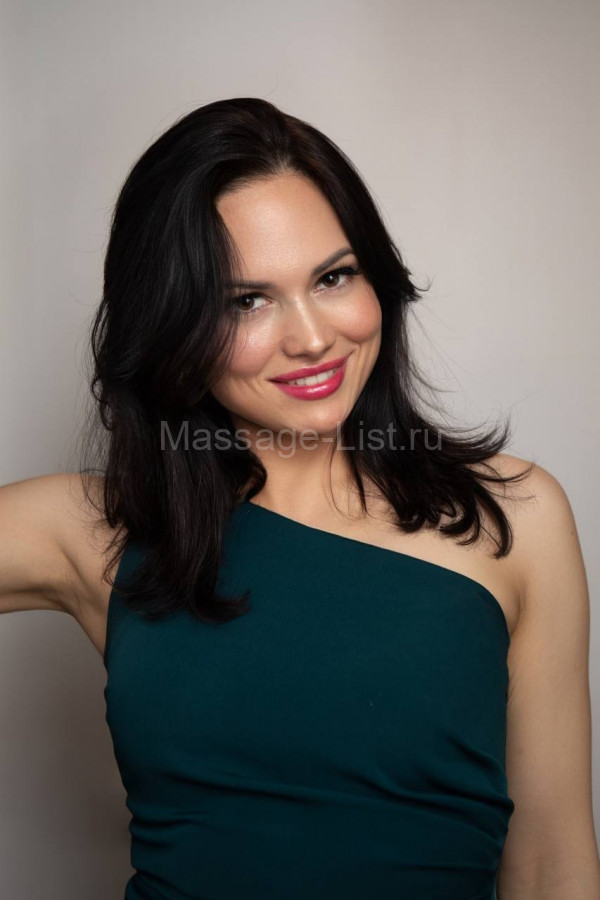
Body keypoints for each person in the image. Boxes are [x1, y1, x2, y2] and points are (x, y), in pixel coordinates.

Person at [1, 97, 599, 900]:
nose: (313, 338)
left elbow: (553, 865)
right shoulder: (97, 530)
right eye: (245, 300)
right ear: (172, 324)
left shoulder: (514, 518)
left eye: (333, 277)